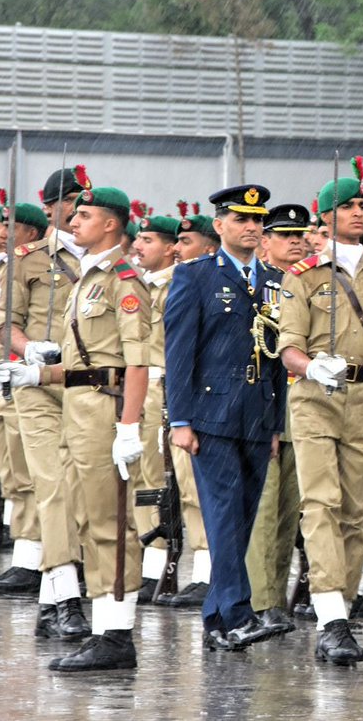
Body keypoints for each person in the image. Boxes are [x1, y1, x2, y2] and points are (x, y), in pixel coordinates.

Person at [0, 186, 153, 671]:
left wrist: (129, 425)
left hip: (104, 410)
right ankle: (105, 625)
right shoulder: (89, 280)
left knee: (109, 523)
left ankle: (115, 633)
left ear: (110, 225)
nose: (73, 221)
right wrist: (35, 372)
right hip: (78, 407)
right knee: (90, 518)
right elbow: (84, 361)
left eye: (84, 215)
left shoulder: (123, 281)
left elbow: (137, 362)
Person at [164, 183, 286, 651]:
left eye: (258, 220)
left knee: (242, 515)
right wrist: (180, 420)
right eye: (241, 219)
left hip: (257, 416)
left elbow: (274, 357)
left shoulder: (273, 281)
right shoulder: (194, 277)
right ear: (220, 226)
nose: (252, 227)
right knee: (223, 514)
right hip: (211, 414)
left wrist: (275, 424)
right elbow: (179, 353)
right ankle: (238, 614)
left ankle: (217, 620)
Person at [279, 165, 363, 665]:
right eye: (347, 206)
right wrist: (311, 367)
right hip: (316, 399)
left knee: (356, 513)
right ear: (325, 217)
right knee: (320, 504)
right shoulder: (302, 277)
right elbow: (287, 349)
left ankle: (341, 604)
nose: (358, 213)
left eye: (362, 205)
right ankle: (330, 618)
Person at [0, 200, 49, 601]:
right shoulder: (5, 267)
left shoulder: (34, 266)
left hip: (31, 380)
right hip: (3, 384)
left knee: (33, 475)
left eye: (11, 227)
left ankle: (35, 559)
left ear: (32, 233)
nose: (1, 233)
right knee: (13, 475)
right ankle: (24, 554)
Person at [245, 203, 309, 635]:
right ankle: (261, 601)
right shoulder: (258, 285)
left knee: (290, 513)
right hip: (266, 403)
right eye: (285, 235)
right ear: (266, 242)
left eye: (300, 235)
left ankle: (278, 599)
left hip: (305, 405)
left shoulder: (311, 282)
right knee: (263, 511)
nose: (296, 242)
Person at [156, 210, 219, 608]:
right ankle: (200, 571)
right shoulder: (173, 281)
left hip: (205, 397)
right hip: (173, 394)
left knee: (204, 491)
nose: (177, 249)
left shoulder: (205, 282)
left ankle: (211, 573)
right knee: (187, 492)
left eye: (187, 242)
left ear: (210, 247)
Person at [129, 214, 182, 603]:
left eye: (147, 240)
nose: (138, 246)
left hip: (167, 387)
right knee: (145, 481)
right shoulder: (136, 286)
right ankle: (152, 566)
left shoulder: (179, 285)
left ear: (169, 247)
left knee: (182, 485)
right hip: (141, 388)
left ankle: (195, 566)